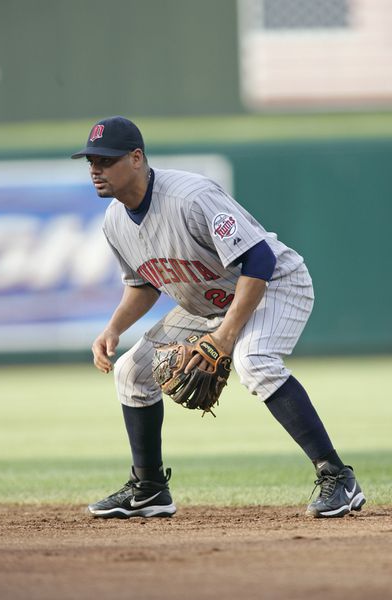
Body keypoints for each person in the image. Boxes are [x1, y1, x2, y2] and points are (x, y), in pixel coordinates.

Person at [71, 116, 366, 519]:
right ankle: (150, 488)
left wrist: (225, 339)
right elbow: (144, 284)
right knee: (130, 373)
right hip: (209, 305)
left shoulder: (190, 197)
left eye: (105, 160)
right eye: (91, 161)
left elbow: (258, 258)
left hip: (274, 285)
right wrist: (113, 328)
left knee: (253, 361)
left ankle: (338, 476)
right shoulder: (115, 222)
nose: (95, 169)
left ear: (136, 158)